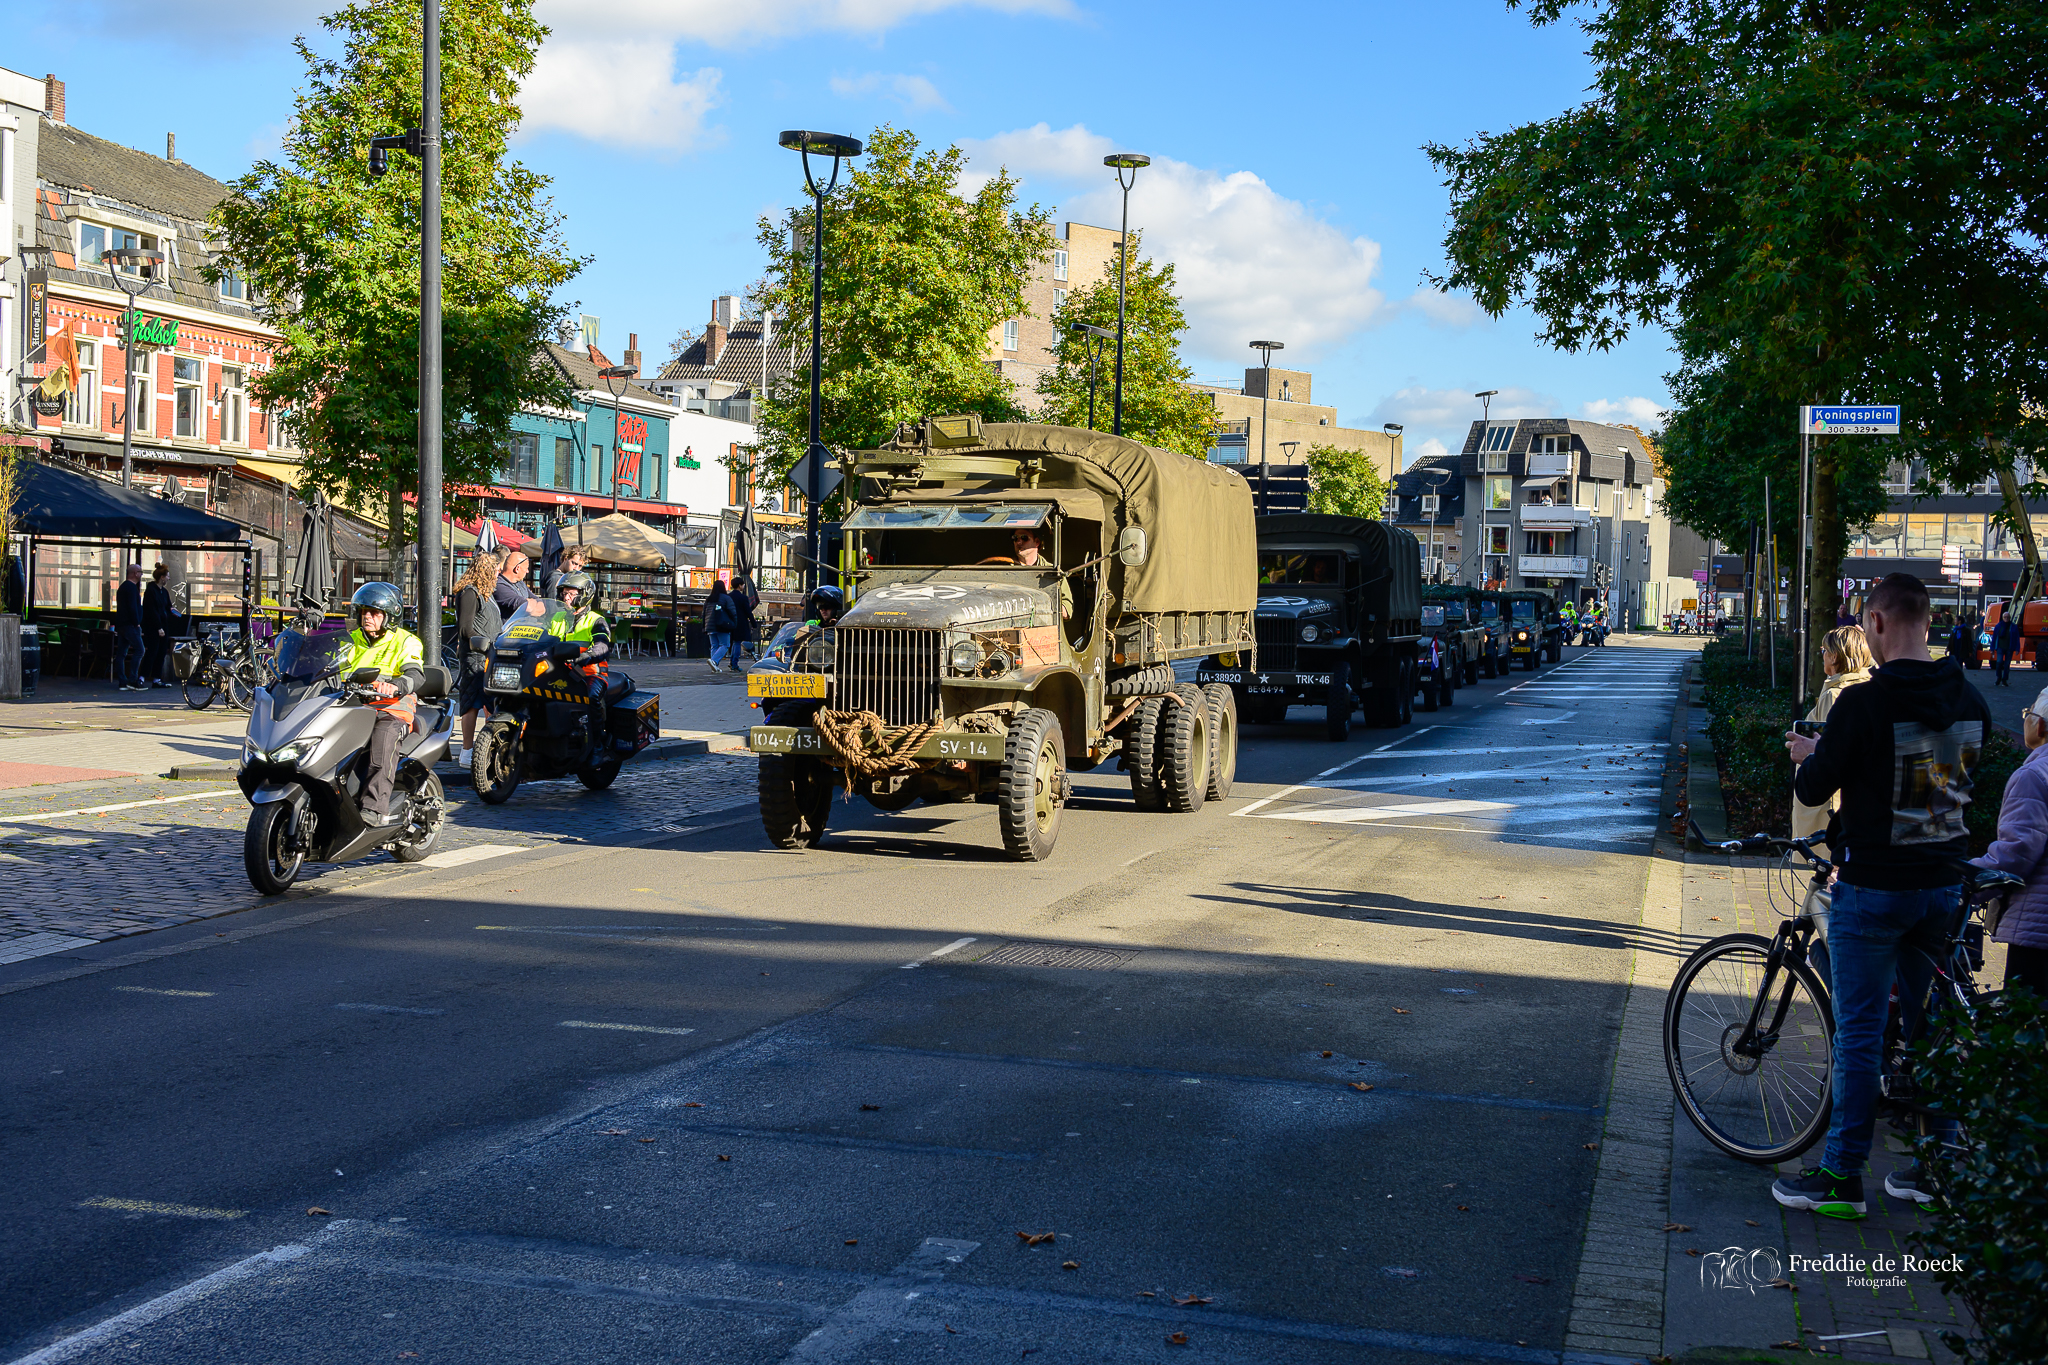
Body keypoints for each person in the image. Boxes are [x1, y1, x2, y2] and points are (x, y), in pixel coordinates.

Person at [1779, 572, 1992, 1216]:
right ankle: (1936, 1166)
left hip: (1873, 890)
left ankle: (1843, 1179)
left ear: (1873, 623)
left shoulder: (1862, 704)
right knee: (1933, 1027)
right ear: (1926, 622)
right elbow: (1939, 786)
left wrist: (1806, 753)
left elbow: (1815, 790)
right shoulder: (1970, 700)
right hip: (1943, 887)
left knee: (1861, 1034)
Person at [1970, 685, 2048, 1003]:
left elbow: (2016, 853)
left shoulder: (2034, 774)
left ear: (2040, 724)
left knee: (2025, 1028)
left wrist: (1965, 879)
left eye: (2027, 713)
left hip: (2038, 931)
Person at [338, 583, 426, 827]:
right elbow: (326, 664)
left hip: (391, 709)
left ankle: (375, 808)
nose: (367, 616)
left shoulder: (406, 641)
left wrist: (396, 685)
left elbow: (416, 675)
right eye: (364, 611)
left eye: (374, 613)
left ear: (390, 616)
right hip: (354, 707)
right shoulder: (351, 640)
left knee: (383, 742)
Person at [1790, 625, 1875, 852]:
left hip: (1826, 798)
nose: (1822, 657)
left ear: (1835, 656)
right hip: (1848, 797)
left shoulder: (1835, 694)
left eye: (1824, 651)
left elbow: (1829, 748)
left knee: (1821, 863)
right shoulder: (1866, 687)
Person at [546, 571, 616, 755]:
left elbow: (603, 645)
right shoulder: (557, 618)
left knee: (591, 697)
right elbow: (542, 640)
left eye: (571, 594)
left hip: (590, 674)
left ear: (584, 596)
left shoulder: (596, 620)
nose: (566, 598)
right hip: (561, 672)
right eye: (564, 593)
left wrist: (588, 655)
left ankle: (598, 745)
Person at [450, 552, 504, 768]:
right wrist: (482, 643)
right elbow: (464, 627)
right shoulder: (470, 592)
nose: (499, 575)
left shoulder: (486, 594)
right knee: (472, 702)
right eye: (497, 571)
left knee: (492, 701)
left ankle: (490, 748)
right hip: (475, 656)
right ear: (487, 571)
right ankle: (466, 750)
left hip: (490, 655)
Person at [1012, 527, 1073, 621]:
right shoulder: (1006, 571)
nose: (1019, 542)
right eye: (1015, 538)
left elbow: (1066, 611)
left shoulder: (1052, 572)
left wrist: (1041, 604)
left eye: (1024, 538)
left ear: (1037, 542)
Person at [141, 564, 176, 688]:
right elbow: (151, 610)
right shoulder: (151, 591)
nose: (168, 579)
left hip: (163, 625)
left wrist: (172, 611)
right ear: (162, 577)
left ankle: (156, 678)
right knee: (152, 651)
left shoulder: (164, 592)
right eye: (167, 576)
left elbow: (167, 606)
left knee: (161, 652)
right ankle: (142, 676)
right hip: (153, 626)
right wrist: (158, 627)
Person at [113, 563, 146, 691]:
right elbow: (133, 607)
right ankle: (133, 680)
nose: (141, 574)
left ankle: (122, 682)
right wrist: (137, 622)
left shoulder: (122, 587)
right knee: (140, 650)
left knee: (121, 653)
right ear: (135, 573)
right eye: (140, 572)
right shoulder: (132, 588)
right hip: (130, 625)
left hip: (121, 624)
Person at [705, 580, 737, 671]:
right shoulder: (726, 598)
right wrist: (734, 623)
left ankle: (714, 666)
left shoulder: (709, 599)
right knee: (725, 645)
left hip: (710, 625)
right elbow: (732, 612)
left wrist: (704, 626)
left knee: (714, 645)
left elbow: (704, 613)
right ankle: (714, 661)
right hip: (722, 625)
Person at [731, 573, 759, 663]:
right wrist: (754, 623)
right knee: (738, 642)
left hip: (731, 622)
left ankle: (732, 662)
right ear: (739, 586)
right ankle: (734, 663)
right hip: (741, 622)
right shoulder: (743, 598)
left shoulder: (728, 597)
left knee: (734, 642)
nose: (743, 586)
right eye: (743, 585)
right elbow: (748, 612)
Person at [1992, 609, 2020, 687]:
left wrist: (2017, 648)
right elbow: (1994, 637)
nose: (2006, 618)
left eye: (2008, 617)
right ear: (2002, 617)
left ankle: (2004, 680)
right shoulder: (1998, 626)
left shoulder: (2014, 627)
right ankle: (1998, 678)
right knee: (1999, 662)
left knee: (2007, 664)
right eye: (2005, 617)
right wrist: (1992, 648)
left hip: (2009, 648)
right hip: (2000, 647)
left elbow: (2017, 638)